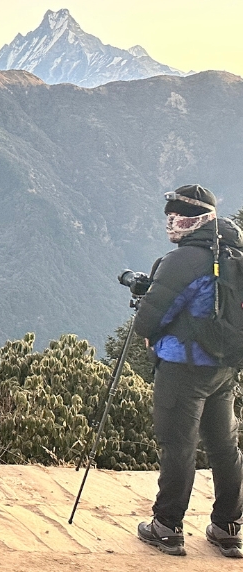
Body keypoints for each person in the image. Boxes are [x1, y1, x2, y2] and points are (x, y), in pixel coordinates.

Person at [134, 185, 243, 558]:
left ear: (195, 219)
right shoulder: (235, 252)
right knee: (225, 448)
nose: (170, 221)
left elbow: (151, 315)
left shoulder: (182, 260)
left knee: (178, 446)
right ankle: (228, 528)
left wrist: (146, 331)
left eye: (176, 214)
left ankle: (166, 527)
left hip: (183, 367)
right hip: (225, 367)